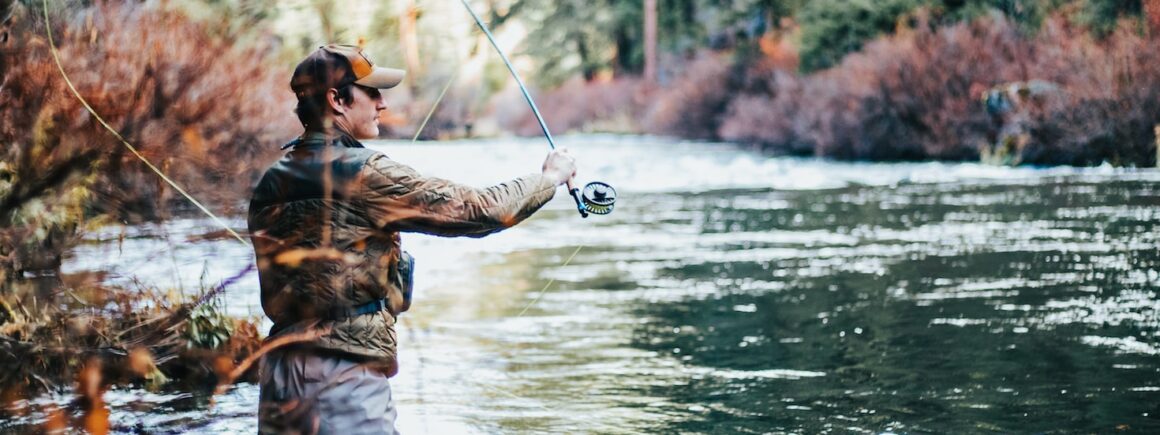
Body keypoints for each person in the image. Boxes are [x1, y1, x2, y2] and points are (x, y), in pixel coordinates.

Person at [247, 44, 577, 434]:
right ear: (336, 99)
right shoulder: (364, 173)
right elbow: (481, 211)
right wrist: (549, 179)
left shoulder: (272, 179)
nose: (382, 103)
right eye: (371, 92)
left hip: (279, 376)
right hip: (342, 380)